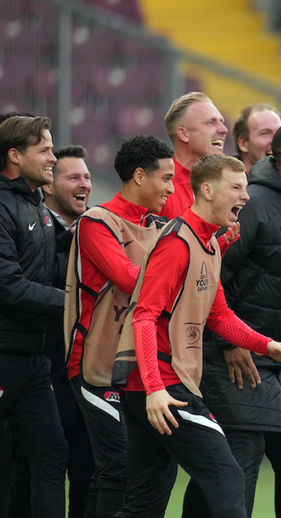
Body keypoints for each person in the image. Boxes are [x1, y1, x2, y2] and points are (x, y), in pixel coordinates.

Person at [110, 154, 281, 518]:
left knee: (144, 503)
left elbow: (219, 316)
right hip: (164, 386)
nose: (245, 196)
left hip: (157, 386)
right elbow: (144, 316)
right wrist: (155, 389)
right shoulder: (178, 242)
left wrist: (267, 346)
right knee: (228, 478)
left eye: (245, 187)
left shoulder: (210, 243)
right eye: (237, 187)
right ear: (207, 189)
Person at [181, 122, 281, 518]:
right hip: (236, 357)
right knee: (240, 462)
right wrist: (230, 344)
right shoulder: (252, 205)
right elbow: (213, 281)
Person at [63, 135, 175, 518]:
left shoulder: (160, 226)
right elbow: (130, 280)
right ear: (140, 176)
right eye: (165, 179)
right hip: (96, 365)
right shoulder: (97, 222)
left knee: (126, 469)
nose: (171, 189)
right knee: (119, 465)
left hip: (138, 365)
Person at [13, 144, 94, 518]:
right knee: (29, 477)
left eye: (88, 177)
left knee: (89, 479)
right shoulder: (29, 230)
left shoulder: (96, 233)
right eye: (74, 177)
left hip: (86, 382)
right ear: (48, 185)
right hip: (38, 374)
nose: (85, 185)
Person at [0, 115, 69, 518]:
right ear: (14, 155)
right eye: (43, 149)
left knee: (51, 453)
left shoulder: (37, 206)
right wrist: (71, 304)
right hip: (4, 355)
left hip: (31, 358)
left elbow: (61, 249)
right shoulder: (4, 206)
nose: (52, 157)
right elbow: (7, 285)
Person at [160, 92, 229, 220]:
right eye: (210, 123)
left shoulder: (227, 186)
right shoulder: (160, 189)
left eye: (221, 121)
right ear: (184, 134)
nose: (224, 129)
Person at [232, 103, 281, 172]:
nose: (277, 140)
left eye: (279, 132)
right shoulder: (226, 181)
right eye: (265, 133)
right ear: (243, 143)